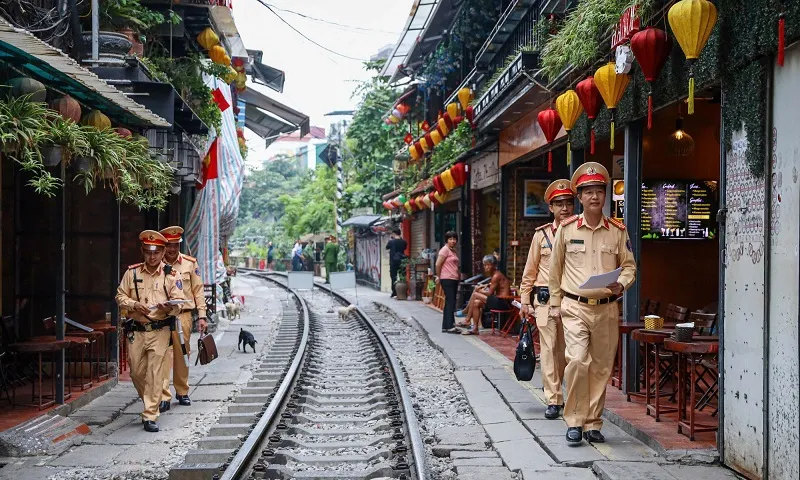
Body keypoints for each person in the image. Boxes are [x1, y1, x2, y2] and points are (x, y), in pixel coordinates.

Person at [548, 162, 636, 446]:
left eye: (599, 190)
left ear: (605, 195)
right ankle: (574, 420)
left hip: (607, 308)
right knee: (577, 360)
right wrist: (554, 305)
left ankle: (593, 423)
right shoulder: (567, 229)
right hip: (574, 307)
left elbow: (629, 267)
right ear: (580, 197)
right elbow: (555, 270)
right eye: (588, 191)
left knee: (600, 367)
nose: (595, 196)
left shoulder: (617, 231)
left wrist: (621, 283)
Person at [115, 230, 186, 432]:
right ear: (143, 252)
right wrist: (134, 305)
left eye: (156, 252)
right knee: (136, 371)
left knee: (155, 372)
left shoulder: (171, 275)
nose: (152, 256)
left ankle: (150, 414)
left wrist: (168, 307)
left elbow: (179, 302)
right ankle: (150, 400)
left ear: (163, 252)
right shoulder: (132, 273)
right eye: (148, 252)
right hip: (136, 330)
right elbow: (120, 296)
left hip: (160, 330)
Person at [520, 179, 576, 420]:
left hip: (573, 301)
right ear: (551, 208)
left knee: (568, 352)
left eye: (568, 203)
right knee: (549, 349)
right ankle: (553, 399)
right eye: (559, 204)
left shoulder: (579, 232)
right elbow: (530, 270)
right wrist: (524, 300)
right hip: (544, 301)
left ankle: (566, 394)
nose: (565, 208)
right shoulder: (541, 236)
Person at [158, 226, 208, 412]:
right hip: (161, 316)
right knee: (162, 355)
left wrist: (202, 316)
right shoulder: (157, 264)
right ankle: (163, 395)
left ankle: (182, 390)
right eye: (169, 245)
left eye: (175, 245)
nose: (172, 249)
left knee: (182, 354)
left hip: (183, 316)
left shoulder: (189, 263)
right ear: (164, 245)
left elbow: (198, 291)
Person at [460, 255, 510, 335]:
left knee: (475, 294)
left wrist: (479, 290)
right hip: (497, 300)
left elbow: (489, 293)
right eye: (484, 265)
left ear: (494, 265)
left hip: (502, 302)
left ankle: (467, 319)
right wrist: (485, 286)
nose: (486, 267)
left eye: (488, 265)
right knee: (476, 302)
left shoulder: (496, 275)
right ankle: (475, 328)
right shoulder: (494, 275)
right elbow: (493, 285)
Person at [435, 231, 461, 333]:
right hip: (447, 279)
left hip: (453, 279)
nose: (453, 241)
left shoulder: (453, 251)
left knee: (449, 302)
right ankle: (450, 326)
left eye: (454, 239)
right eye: (450, 239)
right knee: (451, 302)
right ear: (446, 240)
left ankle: (446, 326)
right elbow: (438, 264)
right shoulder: (444, 250)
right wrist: (438, 276)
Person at [385, 229, 407, 298]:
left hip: (393, 261)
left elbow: (386, 247)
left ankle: (394, 292)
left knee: (393, 277)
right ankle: (402, 292)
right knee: (402, 276)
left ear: (394, 233)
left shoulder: (391, 242)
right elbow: (405, 248)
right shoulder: (404, 242)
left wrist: (391, 239)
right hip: (402, 261)